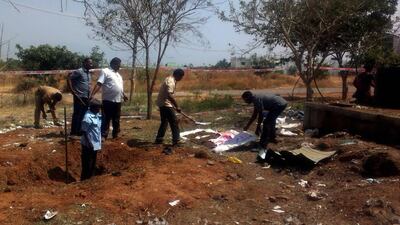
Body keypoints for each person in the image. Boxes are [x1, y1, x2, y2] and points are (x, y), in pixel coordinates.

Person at [90, 57, 127, 139]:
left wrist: (123, 95)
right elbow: (99, 83)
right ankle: (103, 135)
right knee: (106, 118)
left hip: (118, 100)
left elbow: (119, 87)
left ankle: (115, 135)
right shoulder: (106, 71)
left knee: (116, 119)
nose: (119, 67)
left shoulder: (118, 75)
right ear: (113, 64)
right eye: (118, 65)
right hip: (108, 100)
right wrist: (92, 95)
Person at [155, 68, 185, 146]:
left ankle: (159, 139)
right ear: (178, 75)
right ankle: (176, 140)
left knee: (164, 122)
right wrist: (177, 106)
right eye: (181, 77)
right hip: (165, 104)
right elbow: (169, 95)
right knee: (174, 122)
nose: (181, 79)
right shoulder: (171, 81)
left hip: (162, 103)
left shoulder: (169, 79)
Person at [68, 58, 93, 136]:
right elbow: (69, 78)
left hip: (86, 97)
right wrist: (72, 91)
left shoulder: (88, 73)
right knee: (77, 114)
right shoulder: (79, 71)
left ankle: (80, 131)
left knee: (84, 114)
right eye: (90, 63)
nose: (91, 65)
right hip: (79, 96)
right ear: (85, 63)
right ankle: (74, 132)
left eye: (91, 63)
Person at [80, 99, 102, 181]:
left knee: (93, 162)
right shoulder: (87, 117)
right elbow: (84, 132)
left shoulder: (97, 114)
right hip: (88, 145)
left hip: (95, 143)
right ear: (92, 108)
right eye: (97, 108)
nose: (99, 110)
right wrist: (90, 143)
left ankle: (91, 179)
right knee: (87, 164)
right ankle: (84, 180)